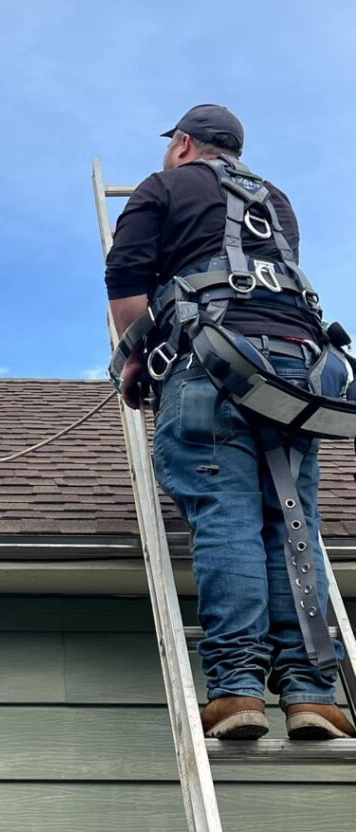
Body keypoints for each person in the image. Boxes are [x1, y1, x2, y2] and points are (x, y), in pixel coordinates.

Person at [105, 104, 355, 740]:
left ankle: (237, 687)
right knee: (290, 518)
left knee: (227, 513)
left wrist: (138, 355)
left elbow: (126, 279)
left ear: (183, 144)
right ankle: (310, 692)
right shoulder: (277, 201)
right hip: (299, 374)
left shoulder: (161, 187)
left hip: (211, 364)